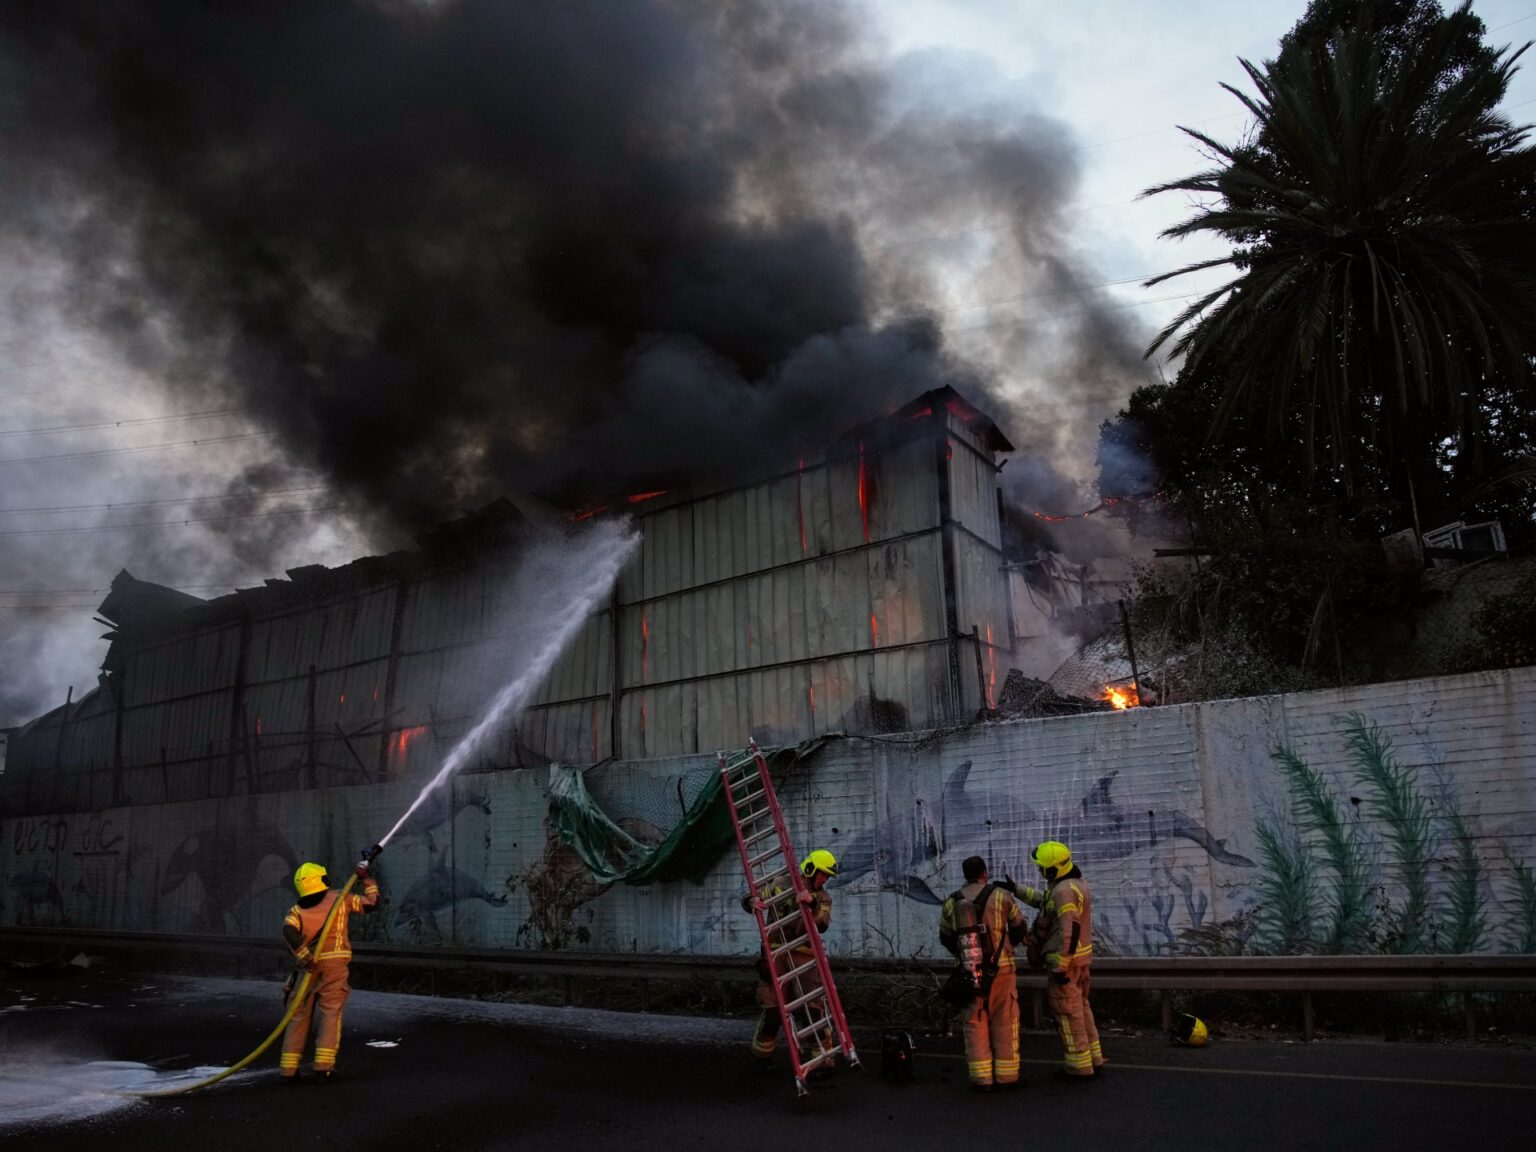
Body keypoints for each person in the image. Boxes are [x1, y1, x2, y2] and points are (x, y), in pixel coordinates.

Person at [278, 856, 380, 1083]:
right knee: (330, 1014)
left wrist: (305, 957)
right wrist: (368, 880)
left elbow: (289, 931)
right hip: (334, 965)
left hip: (307, 969)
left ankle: (288, 1069)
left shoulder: (296, 910)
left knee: (297, 1016)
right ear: (323, 880)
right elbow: (371, 904)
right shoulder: (339, 898)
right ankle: (323, 1067)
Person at [1011, 840, 1102, 1080]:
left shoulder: (1063, 891)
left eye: (1042, 868)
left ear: (1053, 869)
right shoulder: (1073, 884)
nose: (1040, 871)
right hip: (1080, 961)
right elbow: (1045, 902)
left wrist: (1061, 965)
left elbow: (1068, 929)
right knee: (1081, 1009)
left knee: (1067, 1014)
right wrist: (1016, 889)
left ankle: (1078, 1067)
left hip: (1066, 964)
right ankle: (1094, 1058)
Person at [741, 849, 837, 1065]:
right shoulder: (781, 883)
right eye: (822, 874)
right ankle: (762, 1056)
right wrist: (752, 901)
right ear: (810, 869)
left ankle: (823, 1060)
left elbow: (822, 924)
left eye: (827, 876)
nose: (824, 879)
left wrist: (812, 904)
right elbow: (752, 896)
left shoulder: (822, 898)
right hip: (777, 955)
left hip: (805, 959)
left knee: (811, 1011)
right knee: (772, 1010)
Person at [939, 855, 1027, 1090]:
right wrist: (1006, 946)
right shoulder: (1001, 896)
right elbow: (1020, 928)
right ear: (985, 873)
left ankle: (982, 1078)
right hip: (1002, 969)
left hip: (969, 971)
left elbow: (945, 937)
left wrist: (964, 957)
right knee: (1005, 1020)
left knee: (975, 1021)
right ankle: (1007, 1077)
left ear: (965, 875)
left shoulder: (952, 902)